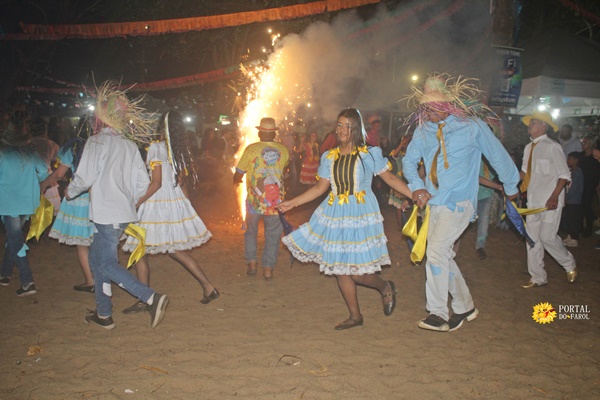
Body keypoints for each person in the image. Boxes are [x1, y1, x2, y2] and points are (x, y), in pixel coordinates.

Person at [402, 73, 520, 332]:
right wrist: (417, 187)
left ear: (446, 105)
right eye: (425, 106)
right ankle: (465, 306)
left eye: (432, 106)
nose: (427, 111)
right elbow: (408, 162)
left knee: (434, 252)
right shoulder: (423, 130)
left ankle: (438, 314)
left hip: (459, 204)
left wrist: (511, 187)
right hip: (433, 205)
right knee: (441, 254)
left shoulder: (472, 126)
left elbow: (498, 157)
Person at [278, 108, 413, 330]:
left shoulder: (369, 154)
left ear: (356, 129)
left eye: (347, 126)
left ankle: (385, 287)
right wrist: (292, 203)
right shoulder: (329, 157)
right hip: (335, 213)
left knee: (358, 273)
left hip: (360, 214)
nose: (342, 130)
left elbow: (388, 177)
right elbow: (321, 187)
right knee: (340, 267)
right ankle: (355, 316)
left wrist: (413, 194)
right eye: (339, 125)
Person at [67, 81, 169, 329]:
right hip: (123, 212)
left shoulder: (96, 142)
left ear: (102, 119)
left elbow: (84, 177)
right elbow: (141, 183)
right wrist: (128, 202)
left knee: (106, 262)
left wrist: (69, 192)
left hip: (106, 213)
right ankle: (104, 314)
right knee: (97, 260)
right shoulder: (129, 145)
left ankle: (150, 297)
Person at [121, 110, 217, 313]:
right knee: (174, 249)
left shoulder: (156, 147)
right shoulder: (181, 150)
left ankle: (144, 297)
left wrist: (136, 203)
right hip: (173, 202)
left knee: (140, 249)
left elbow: (155, 183)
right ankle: (208, 287)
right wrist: (187, 207)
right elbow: (181, 182)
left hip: (156, 204)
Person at [519, 111, 577, 288]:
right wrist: (508, 183)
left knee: (547, 237)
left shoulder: (553, 146)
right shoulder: (529, 148)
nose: (530, 125)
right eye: (530, 122)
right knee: (532, 240)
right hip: (533, 201)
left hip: (550, 202)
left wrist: (554, 196)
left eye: (534, 122)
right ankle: (538, 276)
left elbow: (564, 175)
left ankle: (569, 263)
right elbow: (524, 173)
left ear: (544, 126)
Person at [41, 115, 95, 292]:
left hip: (78, 198)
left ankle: (90, 281)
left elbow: (58, 175)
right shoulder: (100, 147)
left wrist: (42, 185)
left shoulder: (73, 147)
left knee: (82, 244)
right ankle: (101, 278)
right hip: (98, 198)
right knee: (99, 240)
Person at [0, 110, 49, 296]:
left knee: (15, 240)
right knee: (15, 238)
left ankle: (27, 282)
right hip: (27, 203)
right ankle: (4, 274)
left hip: (8, 203)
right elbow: (44, 171)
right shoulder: (30, 152)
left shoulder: (3, 154)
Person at [233, 117, 289, 280]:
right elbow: (285, 171)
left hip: (254, 201)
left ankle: (251, 263)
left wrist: (236, 181)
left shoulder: (251, 149)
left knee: (251, 232)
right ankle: (268, 269)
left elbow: (239, 172)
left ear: (259, 132)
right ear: (274, 133)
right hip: (275, 202)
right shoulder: (283, 150)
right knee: (272, 235)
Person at [30, 117, 61, 215]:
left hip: (29, 177)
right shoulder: (51, 144)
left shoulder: (26, 143)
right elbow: (57, 161)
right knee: (49, 212)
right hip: (47, 178)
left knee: (32, 211)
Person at [475, 159, 503, 260]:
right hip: (471, 194)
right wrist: (498, 187)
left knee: (484, 220)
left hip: (486, 193)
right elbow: (477, 178)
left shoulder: (493, 160)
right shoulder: (474, 155)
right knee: (463, 221)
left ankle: (480, 246)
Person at [561, 151, 584, 247]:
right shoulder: (572, 172)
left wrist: (567, 197)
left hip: (574, 201)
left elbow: (574, 188)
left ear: (576, 160)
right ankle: (571, 235)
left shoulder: (577, 173)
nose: (567, 161)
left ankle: (574, 238)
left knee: (573, 219)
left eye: (570, 159)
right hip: (570, 200)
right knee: (569, 219)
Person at [579, 135, 600, 237]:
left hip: (591, 185)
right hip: (581, 184)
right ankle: (581, 227)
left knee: (587, 206)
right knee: (581, 206)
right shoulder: (581, 156)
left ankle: (589, 227)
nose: (583, 144)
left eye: (585, 142)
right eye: (582, 142)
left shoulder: (595, 158)